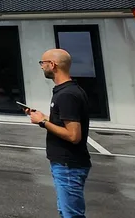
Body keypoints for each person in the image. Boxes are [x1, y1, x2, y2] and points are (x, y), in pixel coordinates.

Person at [24, 48, 91, 218]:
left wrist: (42, 122)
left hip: (68, 165)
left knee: (71, 215)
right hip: (66, 164)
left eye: (43, 63)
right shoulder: (67, 90)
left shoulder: (67, 95)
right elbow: (64, 122)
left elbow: (74, 136)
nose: (41, 66)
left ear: (52, 65)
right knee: (65, 212)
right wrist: (42, 117)